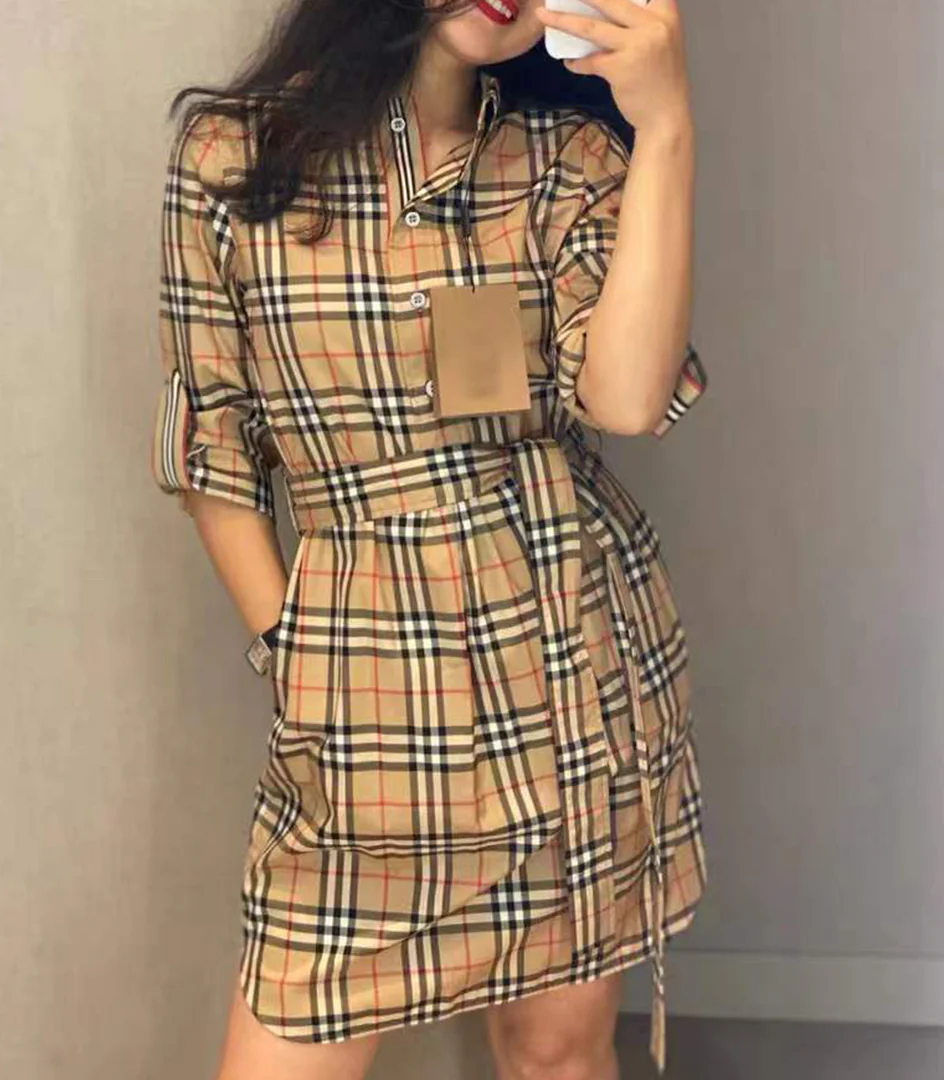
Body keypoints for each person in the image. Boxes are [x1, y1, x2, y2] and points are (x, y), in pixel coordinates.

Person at [149, 1, 709, 1077]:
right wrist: (294, 657)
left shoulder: (567, 159)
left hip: (564, 669)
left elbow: (628, 398)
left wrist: (668, 126)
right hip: (364, 704)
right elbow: (211, 449)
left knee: (555, 1051)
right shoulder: (231, 155)